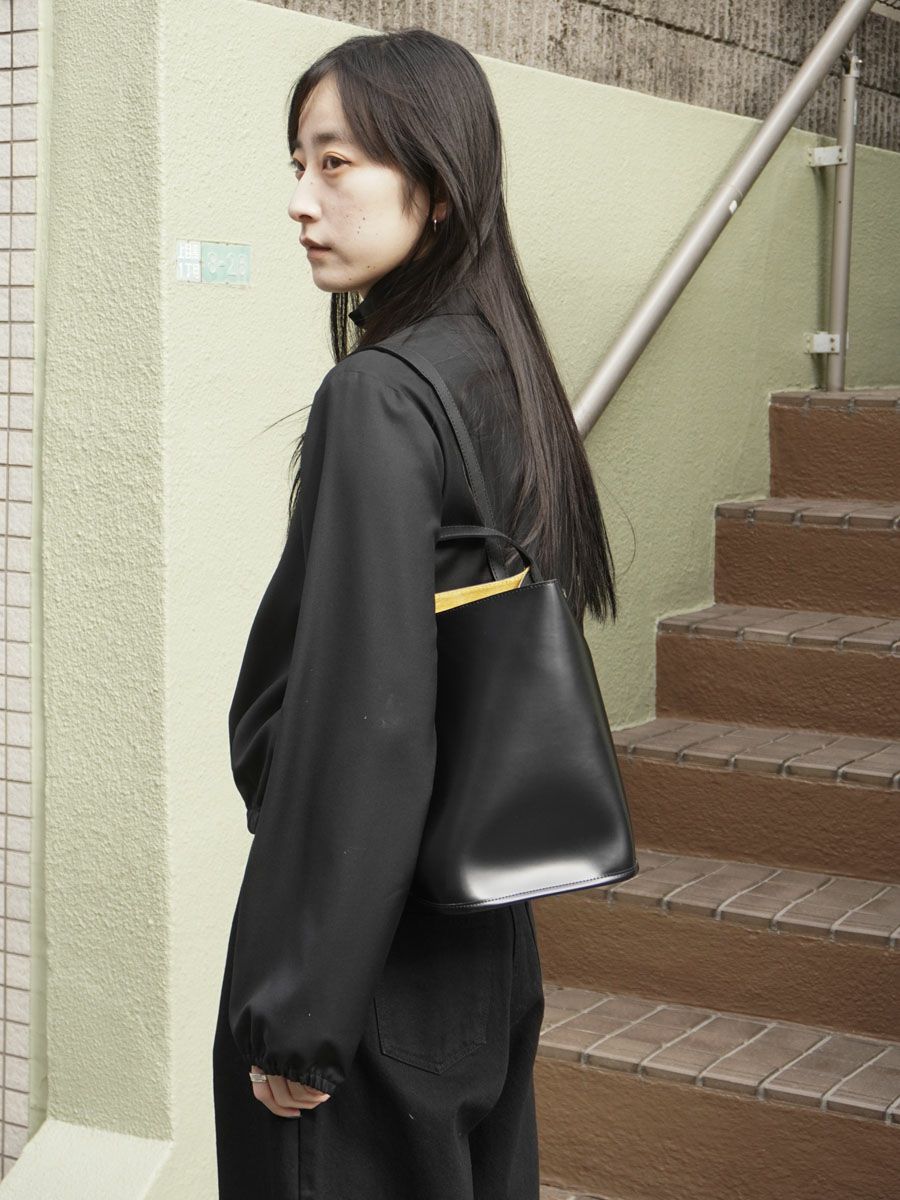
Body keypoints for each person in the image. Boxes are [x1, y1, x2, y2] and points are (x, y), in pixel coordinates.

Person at [212, 26, 620, 1200]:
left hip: (366, 971)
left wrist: (302, 1012)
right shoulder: (502, 368)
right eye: (298, 163)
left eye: (337, 164)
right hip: (481, 944)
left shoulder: (379, 395)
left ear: (436, 188)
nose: (302, 200)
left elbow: (371, 719)